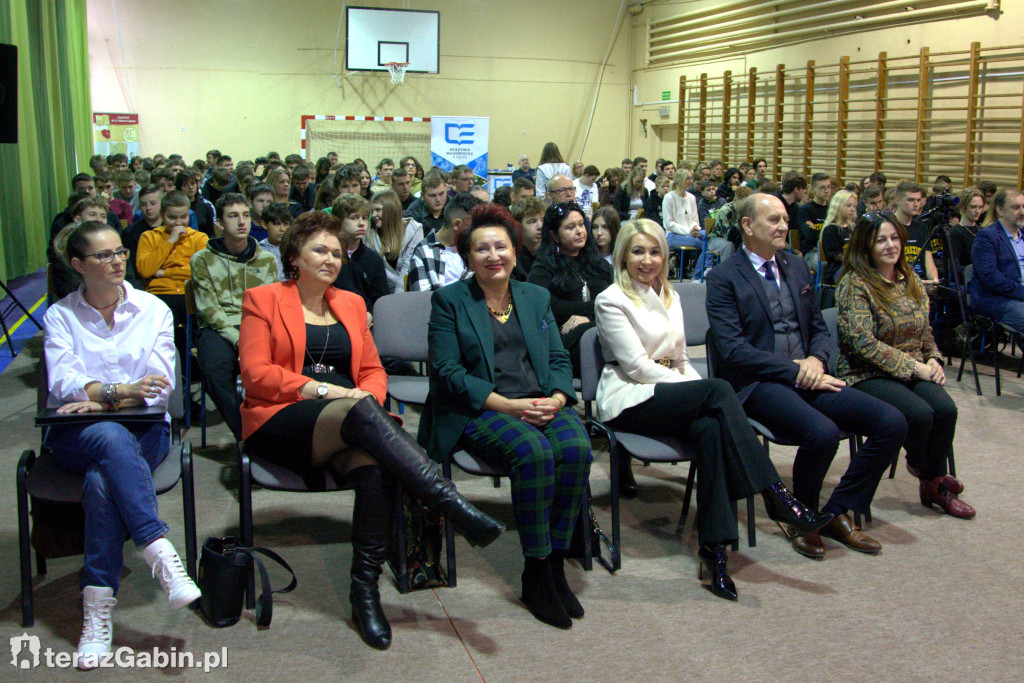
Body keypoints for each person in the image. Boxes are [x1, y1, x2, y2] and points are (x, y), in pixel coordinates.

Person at [238, 211, 503, 650]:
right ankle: (449, 503)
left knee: (377, 470)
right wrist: (324, 390)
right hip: (280, 419)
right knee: (359, 412)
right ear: (293, 256)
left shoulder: (351, 303)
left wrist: (367, 399)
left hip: (350, 419)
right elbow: (256, 375)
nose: (331, 259)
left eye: (337, 253)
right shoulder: (262, 299)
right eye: (319, 250)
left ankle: (364, 593)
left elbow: (372, 370)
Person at [596, 219, 831, 599]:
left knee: (711, 427)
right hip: (630, 397)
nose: (647, 260)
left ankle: (715, 551)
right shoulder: (610, 298)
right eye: (638, 251)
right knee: (718, 393)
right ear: (623, 255)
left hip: (672, 391)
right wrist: (699, 389)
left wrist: (696, 388)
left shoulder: (669, 295)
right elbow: (638, 368)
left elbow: (681, 358)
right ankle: (775, 495)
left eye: (655, 251)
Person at [706, 193, 908, 560]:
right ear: (748, 226)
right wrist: (797, 370)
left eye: (785, 218)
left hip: (809, 373)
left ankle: (835, 512)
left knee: (891, 422)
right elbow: (735, 352)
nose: (784, 225)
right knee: (823, 433)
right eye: (774, 220)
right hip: (757, 383)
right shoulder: (723, 278)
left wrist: (816, 359)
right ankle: (802, 516)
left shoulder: (797, 265)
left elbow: (818, 326)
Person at [418, 203, 592, 629]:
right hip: (480, 408)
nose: (493, 255)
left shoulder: (535, 296)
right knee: (534, 452)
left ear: (515, 250)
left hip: (539, 399)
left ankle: (554, 563)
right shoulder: (450, 301)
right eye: (482, 249)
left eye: (501, 246)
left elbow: (556, 357)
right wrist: (508, 405)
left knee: (576, 448)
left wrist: (557, 396)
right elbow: (447, 374)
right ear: (467, 256)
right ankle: (535, 571)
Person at [45, 221, 201, 668]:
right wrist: (121, 392)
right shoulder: (61, 315)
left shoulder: (152, 309)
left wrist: (101, 396)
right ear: (78, 265)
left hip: (144, 429)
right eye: (103, 255)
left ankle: (96, 613)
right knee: (110, 436)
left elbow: (159, 384)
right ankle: (158, 548)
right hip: (75, 434)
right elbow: (63, 382)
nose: (117, 261)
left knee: (100, 483)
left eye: (120, 252)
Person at [836, 212, 974, 518]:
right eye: (881, 240)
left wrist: (934, 358)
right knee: (920, 414)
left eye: (895, 238)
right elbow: (862, 343)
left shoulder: (909, 277)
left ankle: (930, 479)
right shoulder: (854, 283)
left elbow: (924, 329)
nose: (890, 245)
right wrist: (916, 367)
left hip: (912, 365)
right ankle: (933, 477)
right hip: (866, 371)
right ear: (866, 245)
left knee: (946, 410)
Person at [190, 193, 279, 441]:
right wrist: (238, 339)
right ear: (219, 222)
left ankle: (278, 426)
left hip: (257, 325)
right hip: (217, 328)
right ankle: (248, 435)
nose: (242, 222)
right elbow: (209, 309)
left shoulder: (267, 259)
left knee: (283, 361)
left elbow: (269, 306)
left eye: (246, 215)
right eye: (233, 216)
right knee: (214, 369)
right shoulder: (202, 259)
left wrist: (251, 337)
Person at [527, 202, 613, 375]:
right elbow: (547, 307)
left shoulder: (599, 264)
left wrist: (588, 316)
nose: (580, 231)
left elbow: (616, 300)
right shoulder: (543, 267)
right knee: (590, 332)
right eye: (570, 227)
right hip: (562, 337)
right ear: (554, 235)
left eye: (581, 224)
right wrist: (594, 309)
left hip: (601, 326)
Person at [970, 189, 1024, 335]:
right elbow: (990, 277)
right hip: (997, 300)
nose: (1022, 211)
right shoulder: (987, 236)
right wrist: (1021, 292)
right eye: (1016, 207)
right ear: (1000, 210)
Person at [331, 193, 389, 321]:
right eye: (354, 218)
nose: (361, 224)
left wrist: (370, 315)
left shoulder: (373, 259)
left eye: (364, 218)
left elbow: (381, 300)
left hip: (366, 319)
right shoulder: (329, 257)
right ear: (339, 221)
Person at [407, 192, 481, 291]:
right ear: (457, 225)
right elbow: (422, 300)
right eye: (472, 227)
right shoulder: (423, 251)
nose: (476, 231)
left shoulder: (473, 248)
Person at [365, 189, 423, 293]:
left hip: (407, 289)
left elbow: (407, 265)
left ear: (390, 210)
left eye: (378, 210)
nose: (373, 215)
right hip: (380, 290)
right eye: (372, 211)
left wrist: (397, 298)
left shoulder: (414, 229)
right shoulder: (368, 232)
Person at [818, 189, 857, 306]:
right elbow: (834, 256)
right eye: (848, 205)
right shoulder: (831, 229)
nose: (852, 209)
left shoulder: (853, 228)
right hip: (837, 269)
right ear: (839, 206)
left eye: (854, 206)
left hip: (853, 266)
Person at [948, 187, 986, 284]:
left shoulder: (983, 231)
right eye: (973, 207)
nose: (978, 211)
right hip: (968, 281)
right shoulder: (955, 233)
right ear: (962, 207)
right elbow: (954, 266)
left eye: (980, 207)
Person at [797, 173, 832, 273]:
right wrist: (829, 233)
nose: (826, 191)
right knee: (824, 264)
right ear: (812, 189)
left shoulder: (832, 210)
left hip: (829, 250)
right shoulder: (805, 210)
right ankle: (822, 288)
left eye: (829, 187)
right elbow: (810, 235)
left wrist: (818, 231)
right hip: (812, 252)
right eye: (822, 187)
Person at [662, 171, 703, 251]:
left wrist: (694, 228)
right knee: (705, 243)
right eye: (688, 178)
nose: (691, 181)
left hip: (690, 234)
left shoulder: (691, 197)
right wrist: (689, 231)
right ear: (678, 180)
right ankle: (704, 264)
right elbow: (669, 224)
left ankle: (701, 263)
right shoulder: (669, 197)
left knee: (708, 237)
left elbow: (695, 220)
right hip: (673, 235)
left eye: (691, 178)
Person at [511, 196, 547, 277]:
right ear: (519, 227)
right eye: (532, 221)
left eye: (543, 220)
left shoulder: (554, 253)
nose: (540, 226)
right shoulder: (513, 259)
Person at [257, 202, 291, 281]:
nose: (282, 229)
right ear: (264, 224)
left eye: (285, 224)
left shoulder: (293, 248)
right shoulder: (258, 250)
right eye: (276, 224)